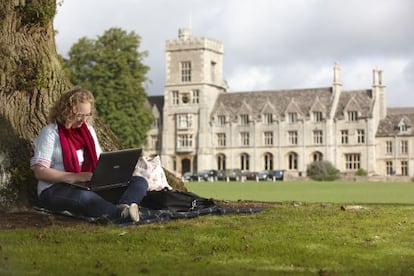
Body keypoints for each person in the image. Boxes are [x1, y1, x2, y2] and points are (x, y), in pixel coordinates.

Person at [30, 87, 148, 223]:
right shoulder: (51, 133)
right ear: (66, 111)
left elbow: (99, 161)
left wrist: (115, 173)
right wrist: (76, 177)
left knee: (139, 181)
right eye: (79, 115)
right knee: (85, 198)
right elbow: (40, 172)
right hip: (55, 189)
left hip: (89, 184)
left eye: (87, 115)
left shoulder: (88, 131)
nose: (83, 119)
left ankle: (125, 207)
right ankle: (119, 214)